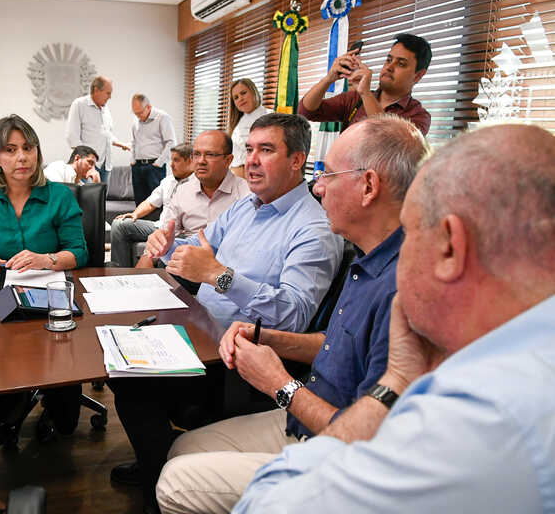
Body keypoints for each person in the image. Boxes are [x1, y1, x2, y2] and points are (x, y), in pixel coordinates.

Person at [232, 124, 555, 513]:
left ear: (451, 246)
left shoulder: (485, 411)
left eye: (413, 230)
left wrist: (284, 384)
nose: (401, 252)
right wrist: (272, 341)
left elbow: (270, 505)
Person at [156, 115, 430, 514]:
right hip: (307, 410)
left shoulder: (405, 286)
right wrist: (263, 337)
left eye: (329, 175)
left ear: (369, 186)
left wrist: (279, 383)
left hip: (337, 448)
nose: (318, 187)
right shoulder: (367, 259)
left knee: (175, 483)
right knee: (181, 446)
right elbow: (332, 343)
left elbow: (369, 439)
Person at [0, 114, 89, 447]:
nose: (21, 157)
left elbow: (79, 252)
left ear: (38, 152)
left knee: (66, 423)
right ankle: (16, 402)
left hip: (53, 300)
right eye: (10, 150)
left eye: (28, 147)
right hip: (2, 302)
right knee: (0, 409)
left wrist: (46, 259)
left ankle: (52, 404)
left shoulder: (59, 195)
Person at [147, 113, 343, 331]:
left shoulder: (315, 229)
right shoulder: (245, 206)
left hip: (234, 352)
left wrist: (220, 277)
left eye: (266, 150)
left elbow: (294, 318)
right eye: (249, 150)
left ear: (296, 161)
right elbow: (197, 250)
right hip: (198, 326)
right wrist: (167, 247)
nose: (251, 160)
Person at [136, 130, 250, 271]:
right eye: (196, 154)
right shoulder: (183, 191)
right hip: (184, 266)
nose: (201, 161)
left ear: (228, 160)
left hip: (225, 270)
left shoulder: (247, 195)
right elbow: (166, 235)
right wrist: (148, 254)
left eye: (210, 154)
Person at [298, 33, 432, 136]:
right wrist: (328, 78)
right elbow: (306, 111)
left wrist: (366, 94)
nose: (389, 67)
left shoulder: (419, 116)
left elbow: (388, 140)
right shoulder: (354, 99)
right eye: (388, 60)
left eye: (401, 64)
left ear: (418, 75)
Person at [110, 142, 194, 268]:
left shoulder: (197, 184)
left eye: (176, 160)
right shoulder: (167, 181)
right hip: (158, 227)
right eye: (171, 160)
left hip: (179, 232)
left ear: (190, 161)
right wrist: (135, 214)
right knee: (120, 224)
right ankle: (120, 271)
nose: (171, 164)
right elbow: (150, 203)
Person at [66, 75, 129, 183]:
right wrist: (87, 162)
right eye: (108, 93)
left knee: (101, 199)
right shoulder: (79, 104)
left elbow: (106, 134)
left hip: (106, 165)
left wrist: (121, 144)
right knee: (87, 199)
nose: (110, 97)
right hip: (88, 166)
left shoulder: (106, 110)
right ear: (96, 90)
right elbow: (72, 137)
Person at [130, 94, 177, 205]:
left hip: (154, 168)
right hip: (137, 167)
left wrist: (159, 163)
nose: (138, 116)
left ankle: (156, 223)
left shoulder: (162, 117)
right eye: (135, 113)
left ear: (149, 107)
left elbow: (171, 142)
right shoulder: (136, 120)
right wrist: (132, 160)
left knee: (156, 203)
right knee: (139, 203)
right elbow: (134, 142)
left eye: (140, 112)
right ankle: (139, 223)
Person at [228, 78, 271, 179]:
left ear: (254, 91)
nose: (240, 99)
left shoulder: (270, 117)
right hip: (237, 180)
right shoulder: (236, 124)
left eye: (243, 93)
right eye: (236, 97)